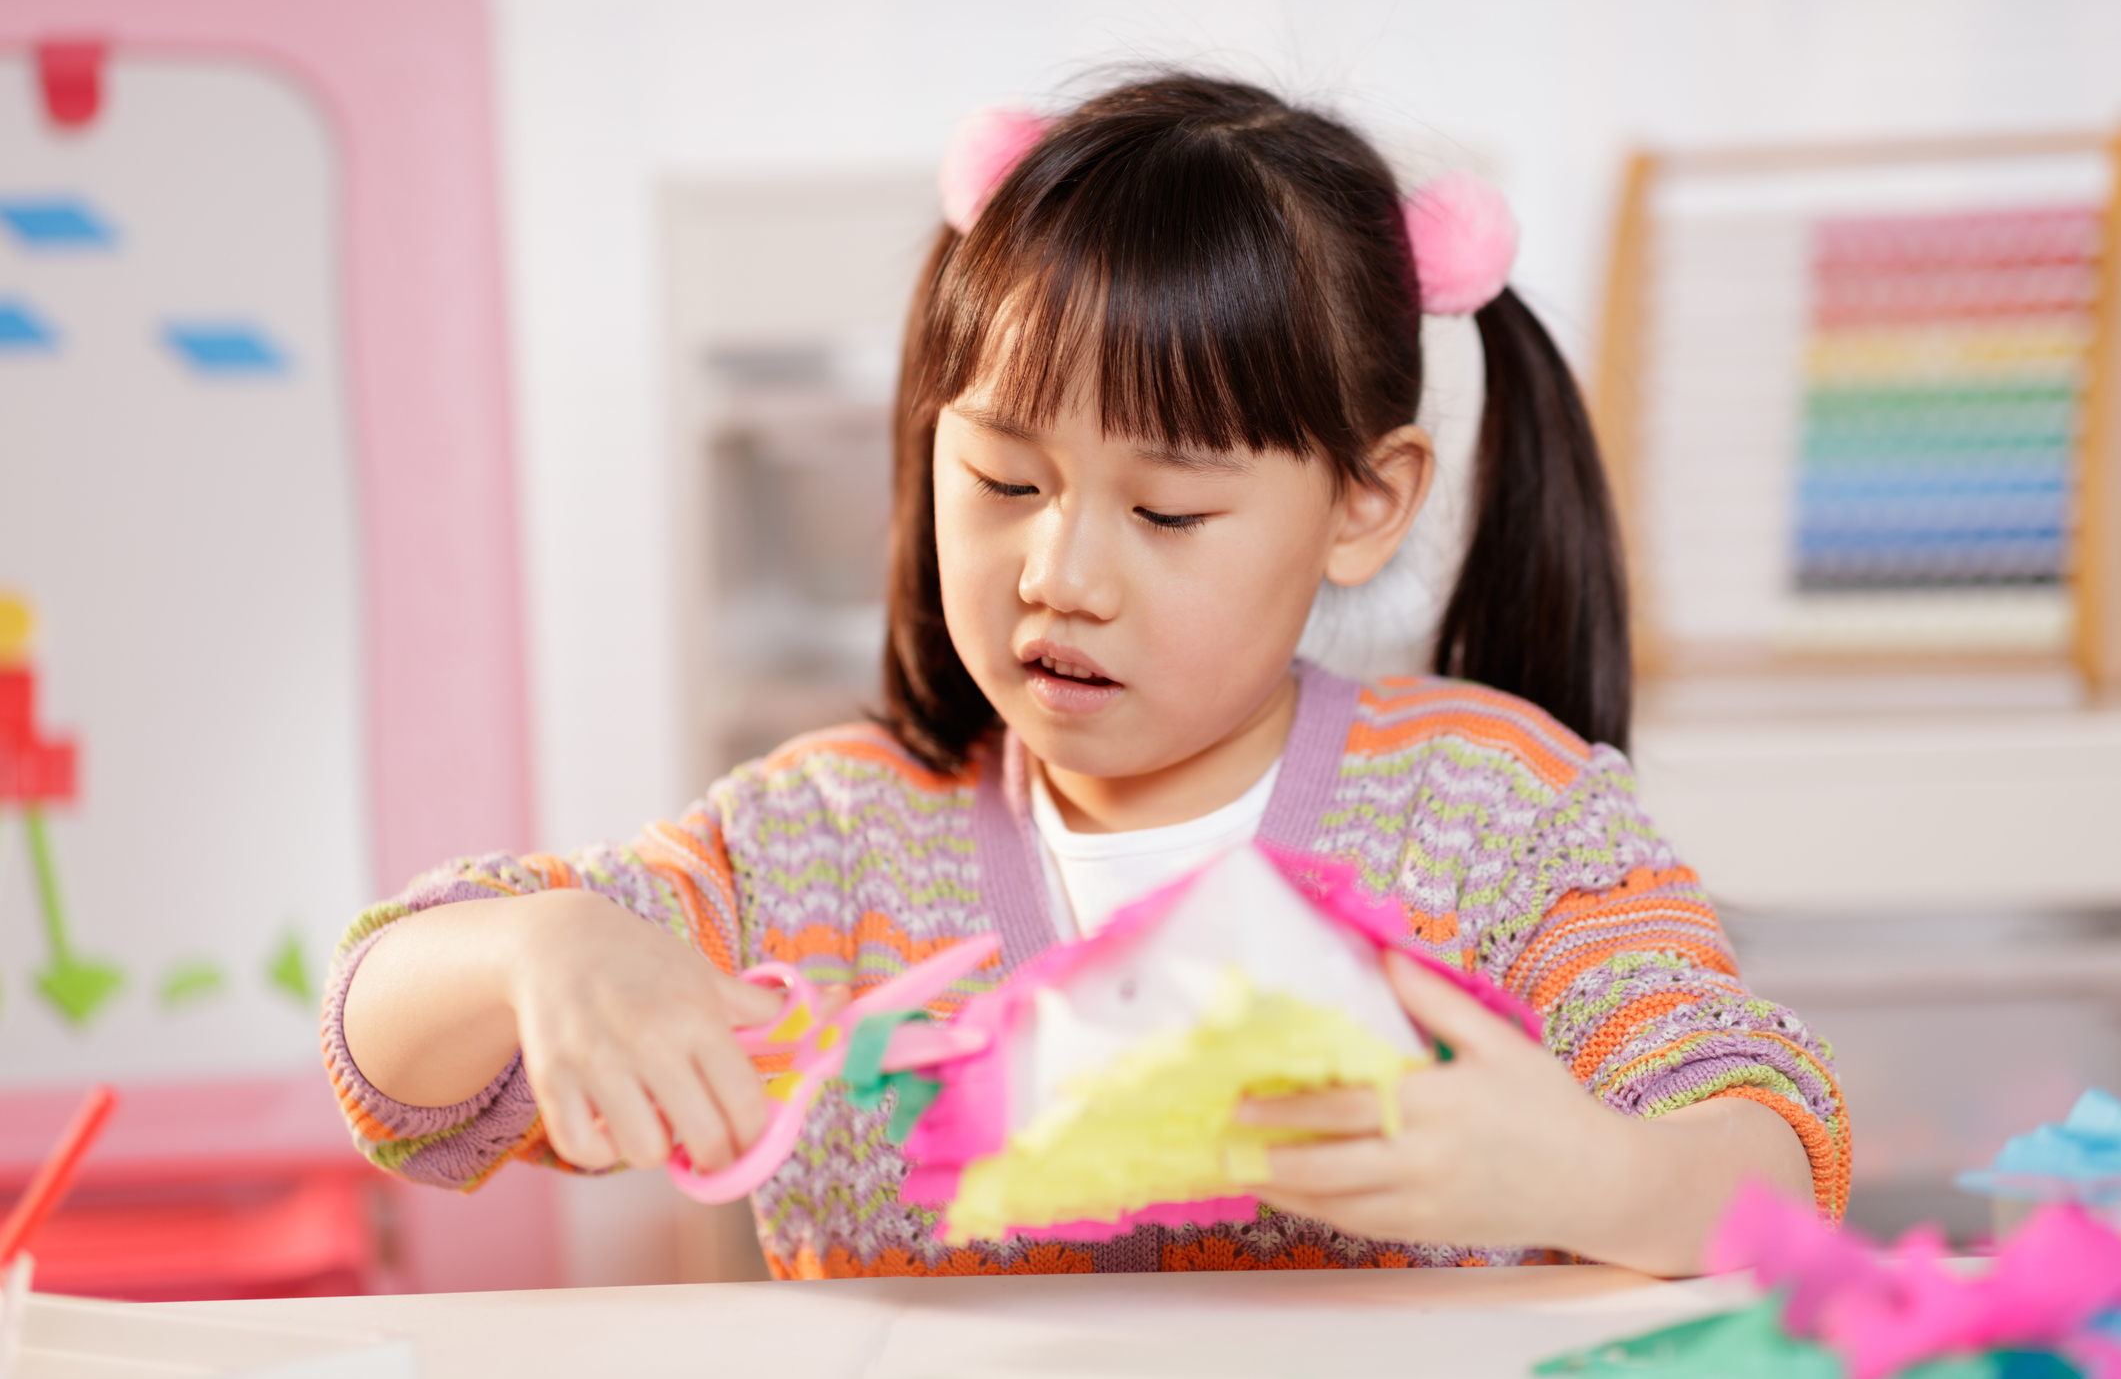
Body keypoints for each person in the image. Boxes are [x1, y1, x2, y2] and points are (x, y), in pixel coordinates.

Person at [330, 72, 1846, 1279]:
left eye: (1168, 511)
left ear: (1362, 501)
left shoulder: (1496, 816)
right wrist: (545, 948)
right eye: (1001, 480)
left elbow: (1768, 1151)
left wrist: (1598, 1174)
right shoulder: (822, 848)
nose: (1061, 571)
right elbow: (391, 1061)